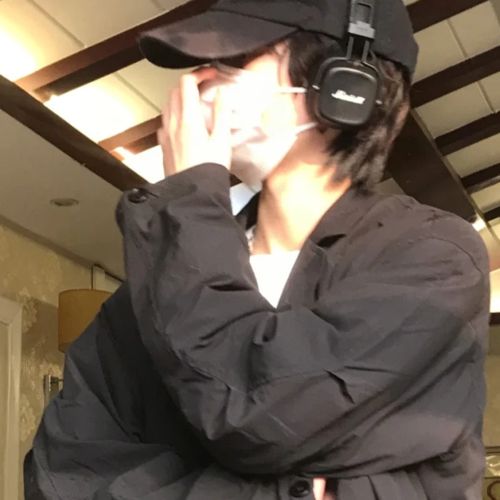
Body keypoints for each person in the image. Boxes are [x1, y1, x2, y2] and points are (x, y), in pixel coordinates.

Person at [25, 1, 490, 499]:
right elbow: (62, 473)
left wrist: (188, 199)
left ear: (346, 87)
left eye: (236, 59)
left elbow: (261, 415)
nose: (201, 80)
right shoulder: (160, 274)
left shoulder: (435, 259)